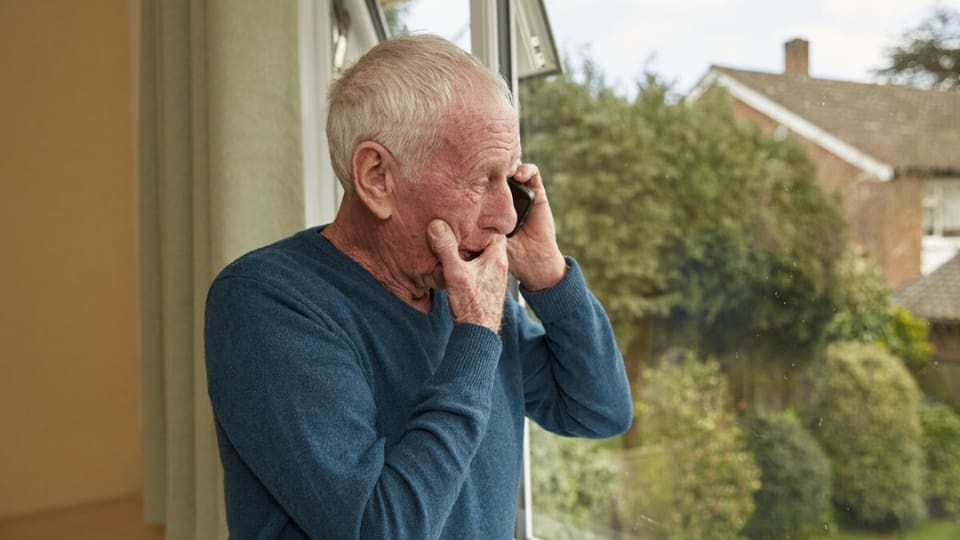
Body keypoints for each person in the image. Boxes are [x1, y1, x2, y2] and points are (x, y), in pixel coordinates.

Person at [204, 34, 632, 539]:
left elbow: (599, 410)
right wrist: (474, 333)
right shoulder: (266, 303)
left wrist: (550, 276)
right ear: (377, 177)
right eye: (480, 179)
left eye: (509, 179)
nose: (505, 216)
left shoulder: (461, 290)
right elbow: (378, 530)